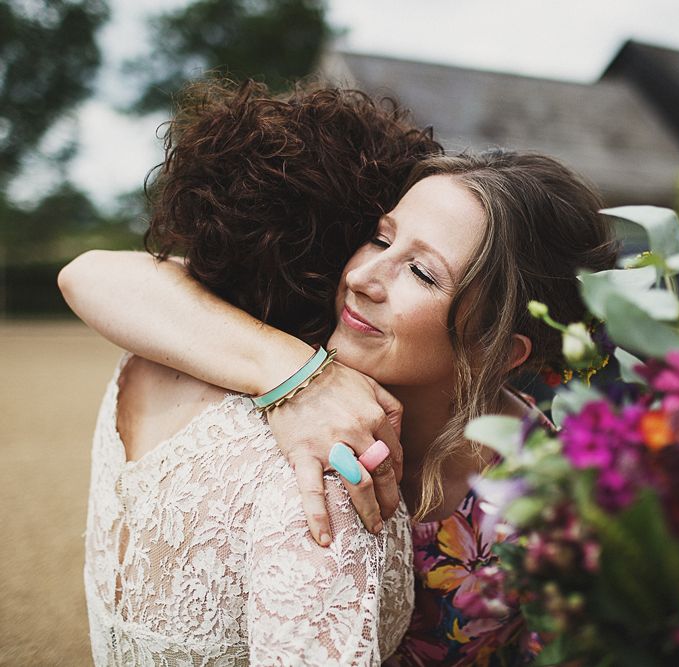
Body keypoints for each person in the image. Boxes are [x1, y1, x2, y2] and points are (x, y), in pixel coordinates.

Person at [60, 79, 618, 665]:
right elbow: (94, 275)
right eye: (379, 236)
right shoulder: (298, 340)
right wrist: (299, 376)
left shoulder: (556, 506)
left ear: (501, 352)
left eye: (422, 274)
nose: (362, 277)